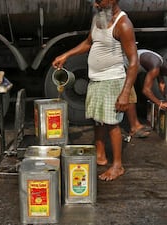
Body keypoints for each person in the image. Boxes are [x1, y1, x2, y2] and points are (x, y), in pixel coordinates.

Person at [52, 0, 138, 181]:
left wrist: (125, 93)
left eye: (100, 1)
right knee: (97, 120)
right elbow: (89, 42)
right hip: (96, 80)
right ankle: (100, 155)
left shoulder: (123, 24)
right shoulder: (98, 18)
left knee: (112, 123)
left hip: (112, 80)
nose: (96, 4)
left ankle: (117, 165)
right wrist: (66, 55)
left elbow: (133, 62)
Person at [125, 49, 167, 139]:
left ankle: (137, 125)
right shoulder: (155, 65)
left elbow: (162, 84)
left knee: (131, 96)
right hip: (122, 69)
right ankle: (134, 128)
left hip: (130, 68)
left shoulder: (160, 62)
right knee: (131, 97)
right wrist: (159, 103)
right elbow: (146, 90)